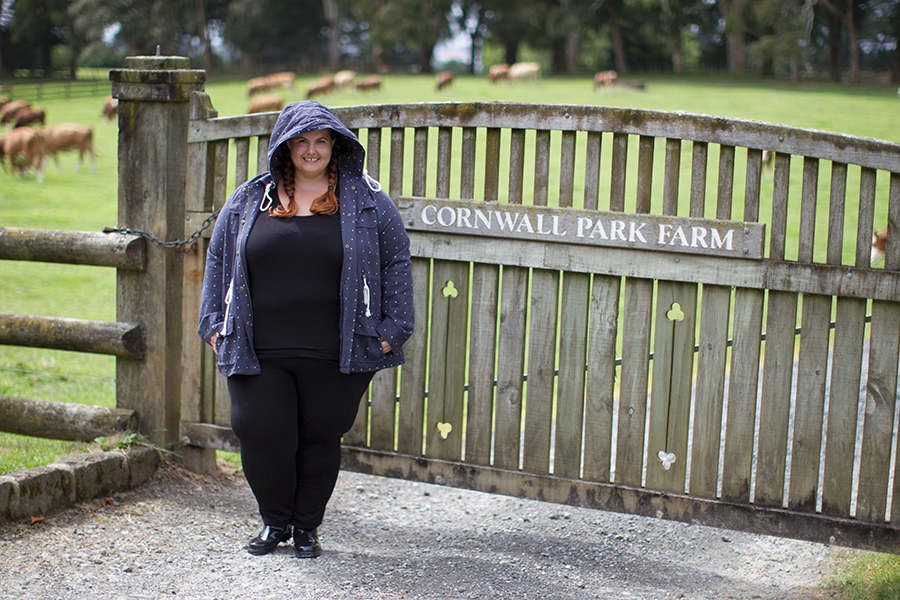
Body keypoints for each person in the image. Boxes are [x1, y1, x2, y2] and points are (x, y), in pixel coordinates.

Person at [197, 100, 414, 558]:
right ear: (285, 146)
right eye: (301, 141)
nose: (311, 150)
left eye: (320, 140)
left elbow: (397, 259)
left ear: (335, 145)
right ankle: (274, 522)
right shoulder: (250, 198)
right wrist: (215, 324)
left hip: (337, 348)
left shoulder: (368, 200)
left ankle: (306, 527)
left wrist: (394, 328)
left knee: (319, 437)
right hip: (259, 347)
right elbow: (218, 259)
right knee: (258, 430)